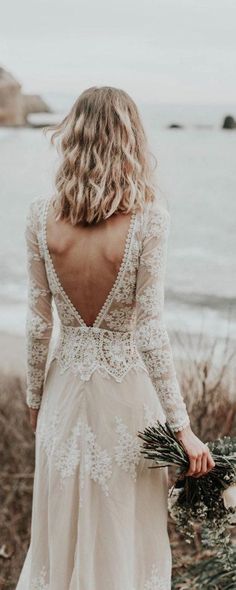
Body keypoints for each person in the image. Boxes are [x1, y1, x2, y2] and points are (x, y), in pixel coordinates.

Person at [16, 86, 215, 590]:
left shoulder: (41, 218)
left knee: (60, 534)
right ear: (130, 140)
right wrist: (182, 425)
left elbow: (40, 321)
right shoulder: (149, 221)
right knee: (124, 535)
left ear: (74, 137)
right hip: (128, 404)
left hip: (63, 396)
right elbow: (149, 329)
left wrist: (36, 397)